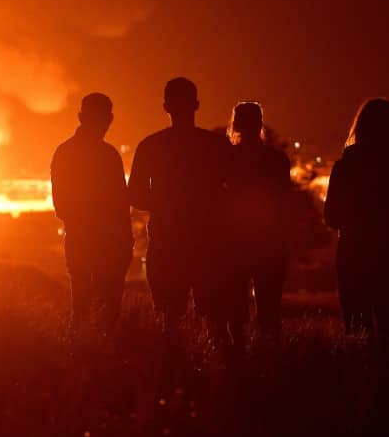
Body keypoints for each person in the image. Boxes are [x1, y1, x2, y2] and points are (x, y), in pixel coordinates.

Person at [128, 77, 232, 343]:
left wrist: (165, 202)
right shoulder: (216, 146)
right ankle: (222, 374)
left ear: (165, 107)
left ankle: (172, 374)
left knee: (169, 319)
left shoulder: (150, 146)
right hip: (209, 244)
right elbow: (235, 191)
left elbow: (136, 195)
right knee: (216, 321)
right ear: (196, 105)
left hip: (167, 242)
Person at [324, 98, 389, 340]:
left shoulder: (345, 166)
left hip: (353, 252)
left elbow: (331, 216)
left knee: (356, 323)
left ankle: (359, 370)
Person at [51, 93, 133, 332]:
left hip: (86, 241)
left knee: (86, 306)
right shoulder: (108, 155)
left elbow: (62, 206)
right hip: (100, 243)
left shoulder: (65, 153)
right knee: (100, 309)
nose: (103, 124)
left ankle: (87, 354)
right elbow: (120, 203)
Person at [225, 102, 292, 346]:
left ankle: (237, 353)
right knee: (269, 305)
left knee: (235, 304)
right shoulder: (277, 160)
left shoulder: (227, 158)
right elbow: (284, 201)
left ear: (235, 124)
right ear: (260, 124)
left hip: (234, 240)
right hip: (270, 241)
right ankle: (270, 353)